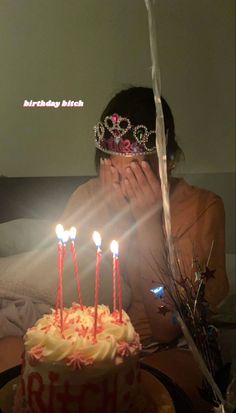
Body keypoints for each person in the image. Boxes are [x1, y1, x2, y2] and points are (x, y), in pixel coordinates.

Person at [0, 87, 229, 411]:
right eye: (113, 170)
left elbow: (167, 328)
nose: (122, 185)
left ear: (168, 162)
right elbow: (73, 311)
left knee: (153, 390)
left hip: (168, 348)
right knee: (10, 356)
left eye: (136, 173)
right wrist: (109, 215)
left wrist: (146, 222)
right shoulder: (90, 195)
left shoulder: (201, 209)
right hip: (92, 345)